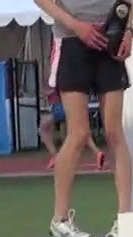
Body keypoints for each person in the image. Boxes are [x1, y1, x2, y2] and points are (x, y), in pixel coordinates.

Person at [33, 0, 133, 237]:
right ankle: (60, 218)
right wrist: (75, 25)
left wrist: (128, 31)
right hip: (73, 39)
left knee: (113, 129)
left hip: (109, 37)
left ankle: (125, 216)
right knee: (77, 133)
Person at [39, 36, 105, 172]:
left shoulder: (59, 59)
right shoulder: (62, 57)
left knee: (46, 128)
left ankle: (57, 156)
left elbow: (53, 83)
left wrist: (48, 89)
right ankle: (96, 152)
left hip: (61, 105)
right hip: (62, 102)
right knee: (78, 130)